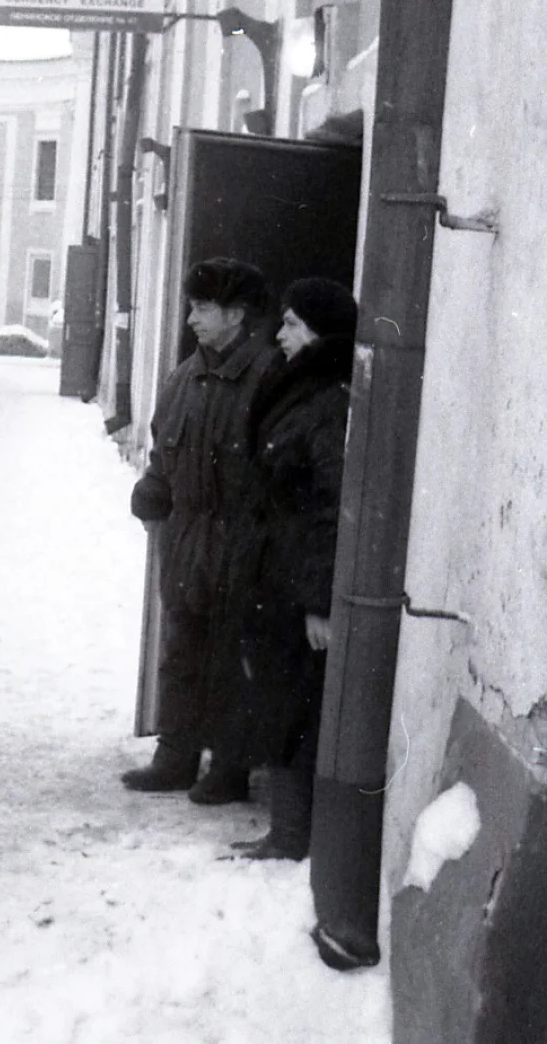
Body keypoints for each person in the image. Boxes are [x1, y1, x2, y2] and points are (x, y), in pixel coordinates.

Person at [123, 258, 278, 802]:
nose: (191, 319)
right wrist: (152, 492)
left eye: (203, 308)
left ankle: (231, 768)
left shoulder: (271, 377)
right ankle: (175, 757)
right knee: (182, 649)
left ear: (236, 315)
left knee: (236, 654)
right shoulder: (183, 378)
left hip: (245, 539)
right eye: (192, 307)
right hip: (189, 535)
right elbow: (163, 450)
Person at [223, 277, 358, 861]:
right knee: (278, 700)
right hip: (275, 577)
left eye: (293, 324)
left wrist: (319, 602)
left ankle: (292, 835)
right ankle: (285, 831)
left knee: (295, 708)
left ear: (320, 333)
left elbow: (333, 509)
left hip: (297, 585)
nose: (279, 334)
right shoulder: (296, 390)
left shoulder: (328, 402)